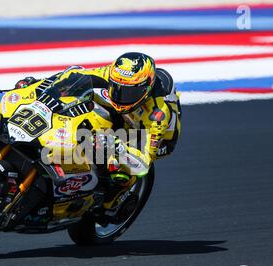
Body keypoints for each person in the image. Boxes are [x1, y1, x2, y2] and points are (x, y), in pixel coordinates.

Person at [15, 52, 181, 212]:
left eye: (129, 92)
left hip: (153, 136)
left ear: (146, 89)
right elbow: (73, 76)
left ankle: (111, 203)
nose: (120, 96)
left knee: (119, 169)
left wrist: (118, 148)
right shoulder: (112, 73)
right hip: (127, 114)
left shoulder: (158, 116)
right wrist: (40, 84)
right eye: (116, 88)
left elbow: (143, 164)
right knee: (86, 109)